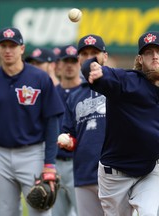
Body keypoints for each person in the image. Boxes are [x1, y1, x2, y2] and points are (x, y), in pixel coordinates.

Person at [0, 27, 64, 216]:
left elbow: (52, 123)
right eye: (4, 45)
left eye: (13, 45)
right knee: (5, 212)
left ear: (22, 48)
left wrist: (49, 163)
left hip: (33, 153)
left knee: (41, 209)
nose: (8, 50)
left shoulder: (40, 78)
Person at [81, 31, 159, 216]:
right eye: (149, 52)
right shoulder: (127, 81)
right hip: (115, 175)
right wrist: (92, 68)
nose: (155, 56)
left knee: (149, 213)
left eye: (158, 51)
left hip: (150, 170)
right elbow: (98, 72)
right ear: (140, 59)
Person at [59, 35, 108, 216]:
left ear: (105, 56)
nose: (89, 58)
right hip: (84, 174)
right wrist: (67, 142)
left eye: (94, 53)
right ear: (79, 60)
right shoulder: (74, 96)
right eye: (85, 54)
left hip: (115, 175)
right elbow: (69, 133)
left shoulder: (119, 86)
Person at [51, 45, 81, 216]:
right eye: (66, 61)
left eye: (74, 61)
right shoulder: (51, 94)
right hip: (54, 164)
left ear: (79, 64)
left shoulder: (88, 92)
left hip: (79, 163)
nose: (70, 65)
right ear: (58, 64)